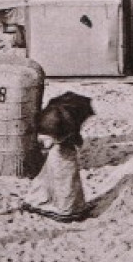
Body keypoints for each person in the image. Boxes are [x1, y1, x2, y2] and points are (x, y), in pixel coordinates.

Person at [23, 92, 94, 221]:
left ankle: (53, 205)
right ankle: (69, 209)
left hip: (56, 155)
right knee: (67, 183)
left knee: (53, 180)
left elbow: (46, 144)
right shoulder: (68, 127)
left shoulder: (50, 123)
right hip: (64, 157)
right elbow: (75, 142)